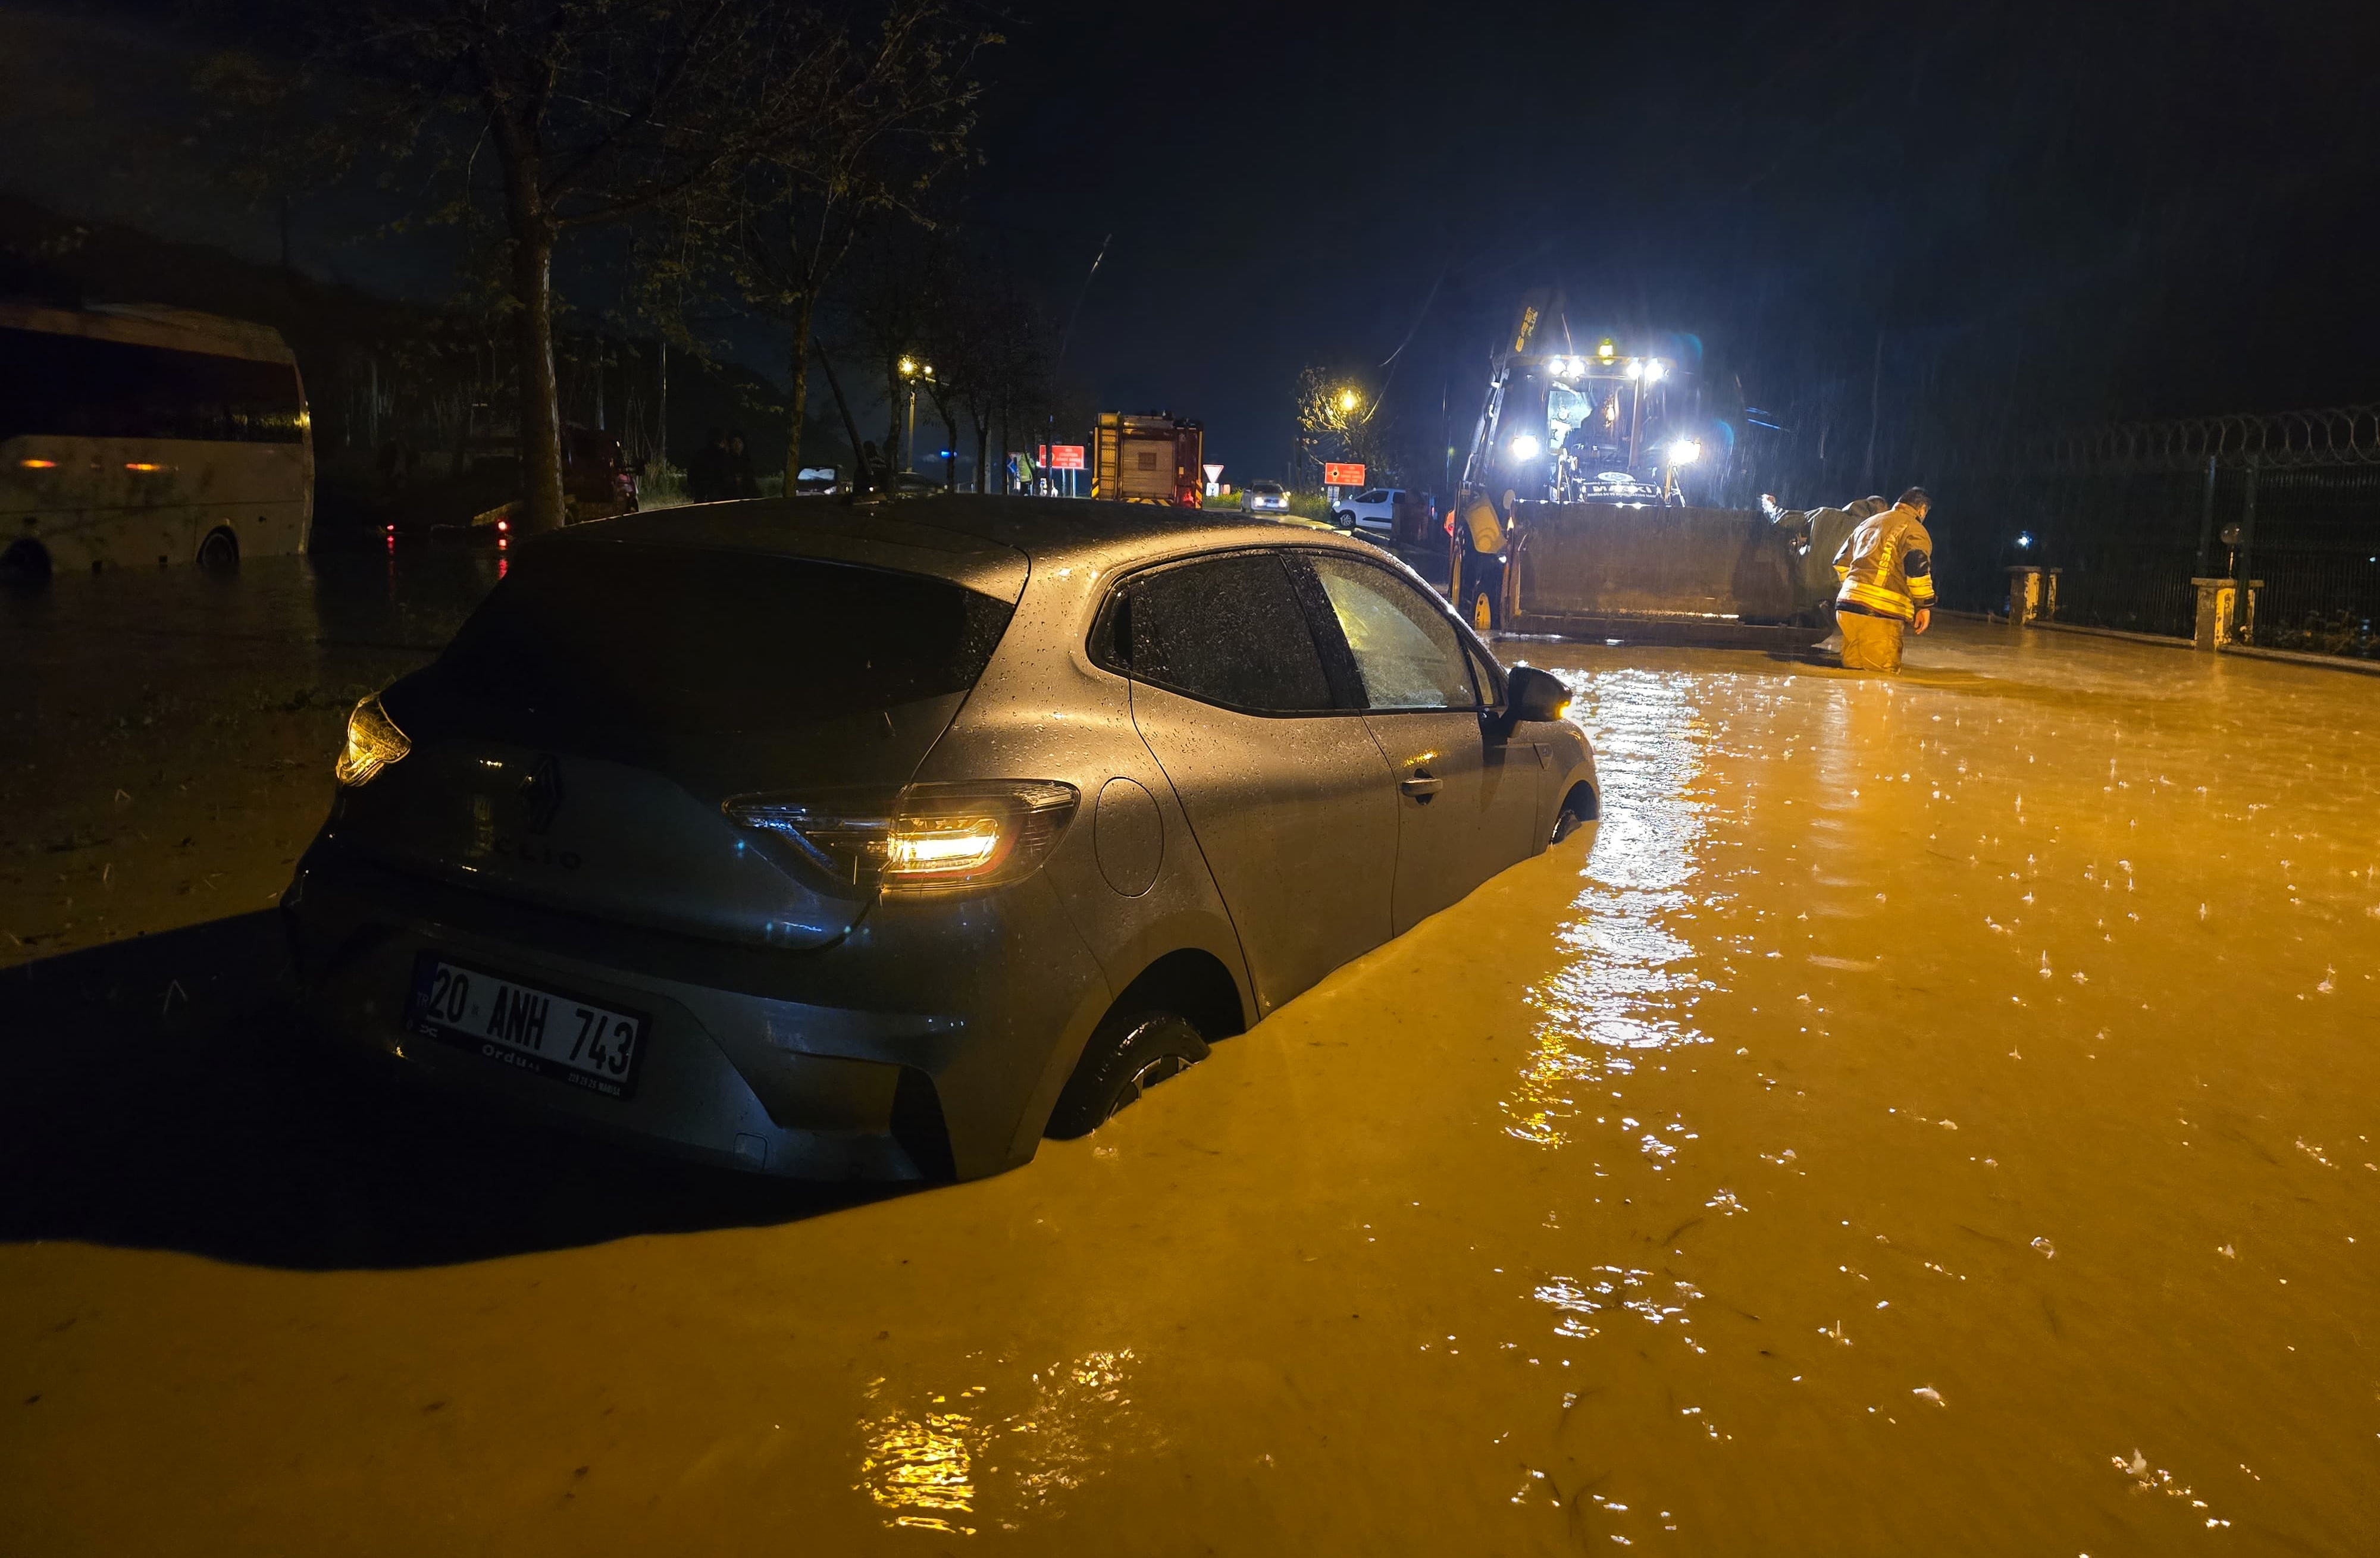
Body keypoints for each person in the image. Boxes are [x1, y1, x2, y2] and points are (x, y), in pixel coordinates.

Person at [1832, 487, 1936, 672]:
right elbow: (1917, 565)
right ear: (1922, 509)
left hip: (1847, 609)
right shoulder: (1914, 529)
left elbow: (1840, 563)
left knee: (1853, 673)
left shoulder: (1868, 523)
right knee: (1880, 679)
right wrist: (1924, 605)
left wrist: (1856, 590)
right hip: (1879, 613)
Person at [725, 431, 759, 498]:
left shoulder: (747, 461)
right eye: (734, 442)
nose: (737, 445)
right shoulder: (727, 461)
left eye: (740, 442)